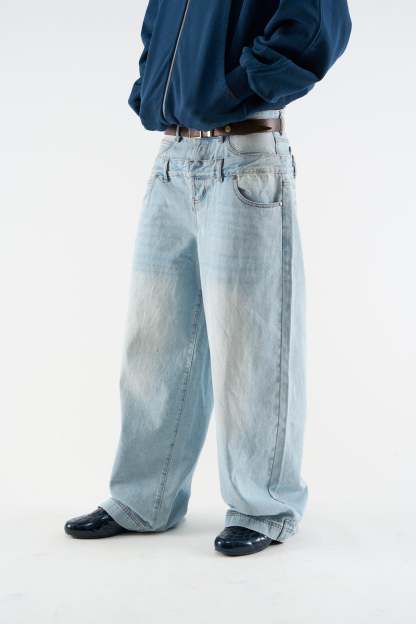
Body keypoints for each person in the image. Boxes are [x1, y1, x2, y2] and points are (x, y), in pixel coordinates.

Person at [65, 0, 352, 557]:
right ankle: (143, 498)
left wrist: (234, 88)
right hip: (172, 159)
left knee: (252, 345)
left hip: (246, 155)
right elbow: (159, 28)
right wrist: (154, 92)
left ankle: (263, 505)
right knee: (154, 342)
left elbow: (318, 24)